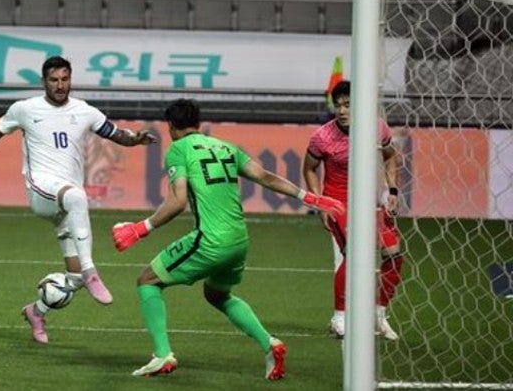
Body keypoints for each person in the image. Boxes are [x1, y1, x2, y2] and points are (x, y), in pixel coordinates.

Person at [112, 98, 345, 380]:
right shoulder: (226, 147)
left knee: (148, 280)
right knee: (217, 294)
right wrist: (309, 197)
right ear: (198, 124)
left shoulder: (178, 150)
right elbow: (266, 177)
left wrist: (140, 228)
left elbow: (177, 202)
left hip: (210, 241)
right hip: (238, 241)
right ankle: (270, 344)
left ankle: (162, 355)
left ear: (171, 126)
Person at [0, 55, 156, 344]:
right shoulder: (25, 109)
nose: (60, 85)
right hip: (42, 190)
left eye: (65, 79)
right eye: (54, 80)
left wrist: (135, 139)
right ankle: (91, 272)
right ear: (43, 82)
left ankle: (36, 312)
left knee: (70, 279)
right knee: (77, 197)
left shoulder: (84, 111)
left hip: (63, 204)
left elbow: (114, 133)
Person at [303, 79, 403, 341]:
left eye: (348, 105)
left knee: (394, 254)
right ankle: (340, 317)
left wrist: (392, 190)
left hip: (370, 202)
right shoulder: (322, 137)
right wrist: (320, 203)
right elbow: (309, 169)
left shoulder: (377, 128)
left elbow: (390, 155)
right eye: (338, 105)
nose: (342, 110)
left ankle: (379, 315)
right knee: (356, 254)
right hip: (337, 202)